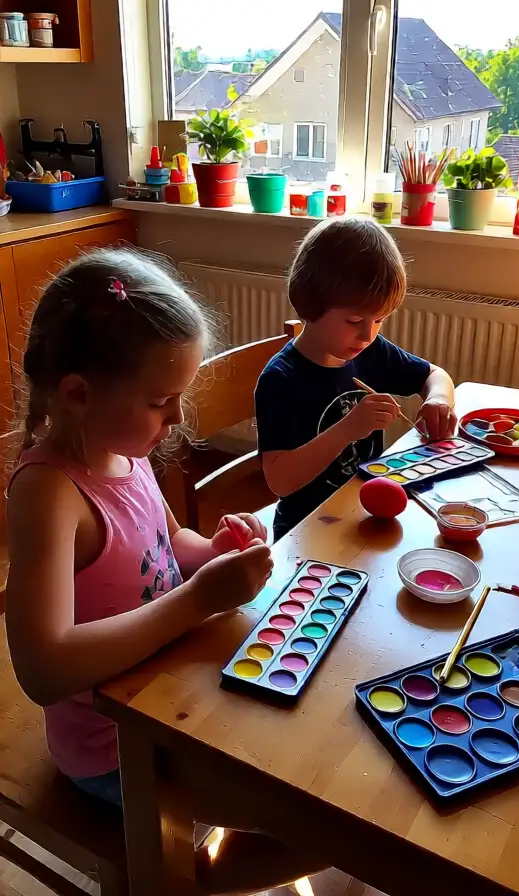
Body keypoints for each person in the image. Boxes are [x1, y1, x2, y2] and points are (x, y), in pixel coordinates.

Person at [5, 247, 326, 892]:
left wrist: (211, 554)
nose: (178, 418)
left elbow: (162, 541)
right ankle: (176, 881)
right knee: (317, 815)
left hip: (170, 694)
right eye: (161, 401)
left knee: (313, 753)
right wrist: (195, 602)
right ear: (77, 394)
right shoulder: (49, 494)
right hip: (111, 745)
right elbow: (42, 669)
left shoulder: (124, 448)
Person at [256, 217, 456, 541]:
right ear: (310, 303)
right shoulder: (281, 379)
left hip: (365, 513)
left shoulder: (369, 351)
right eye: (354, 320)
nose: (367, 334)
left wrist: (437, 400)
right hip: (307, 532)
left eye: (379, 320)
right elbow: (279, 480)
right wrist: (348, 428)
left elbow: (435, 375)